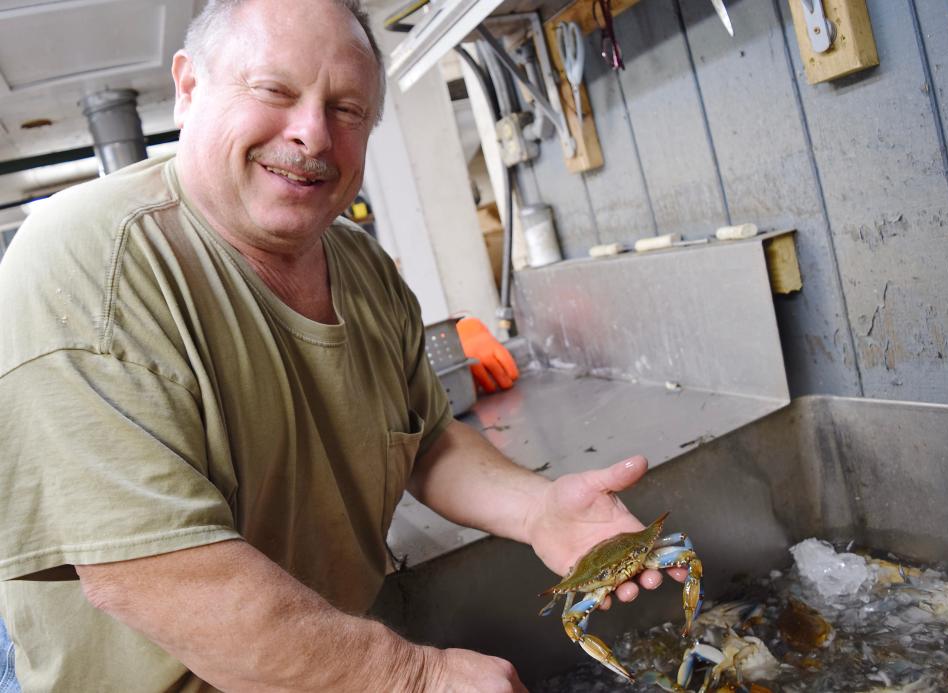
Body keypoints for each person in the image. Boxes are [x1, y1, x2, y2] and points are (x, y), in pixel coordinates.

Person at [0, 0, 680, 690]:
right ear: (188, 87)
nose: (312, 134)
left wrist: (537, 509)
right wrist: (411, 676)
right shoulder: (86, 264)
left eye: (347, 109)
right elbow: (158, 576)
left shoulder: (363, 265)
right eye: (274, 90)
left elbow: (426, 441)